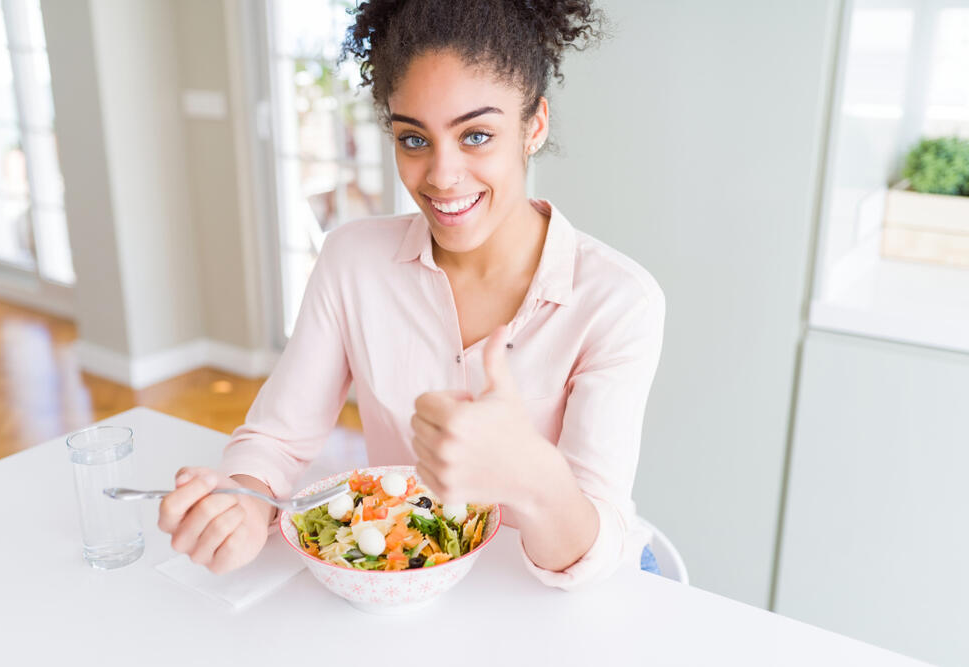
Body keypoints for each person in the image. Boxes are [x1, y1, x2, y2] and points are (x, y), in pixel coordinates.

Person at [157, 0, 666, 589]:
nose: (442, 176)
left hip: (569, 592)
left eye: (476, 135)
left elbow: (589, 551)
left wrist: (532, 475)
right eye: (414, 139)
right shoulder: (352, 262)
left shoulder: (618, 302)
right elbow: (276, 439)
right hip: (414, 587)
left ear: (535, 126)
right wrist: (243, 501)